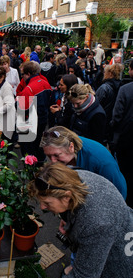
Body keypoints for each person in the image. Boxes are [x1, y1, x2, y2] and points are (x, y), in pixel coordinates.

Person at [17, 162, 133, 278]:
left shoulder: (97, 221)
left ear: (66, 197)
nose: (43, 208)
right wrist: (68, 220)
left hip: (117, 274)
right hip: (108, 246)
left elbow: (84, 276)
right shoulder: (74, 178)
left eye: (47, 203)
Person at [40, 126, 127, 200]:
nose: (53, 161)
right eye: (48, 156)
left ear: (71, 147)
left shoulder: (100, 162)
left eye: (57, 155)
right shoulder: (67, 145)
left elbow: (119, 192)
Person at [16, 61, 52, 161]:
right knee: (38, 145)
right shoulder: (45, 83)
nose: (22, 77)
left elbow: (22, 110)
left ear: (28, 74)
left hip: (30, 123)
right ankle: (40, 164)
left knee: (28, 149)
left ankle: (30, 169)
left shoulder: (29, 89)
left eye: (23, 74)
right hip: (43, 120)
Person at [110, 59, 133, 208]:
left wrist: (112, 130)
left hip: (126, 138)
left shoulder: (126, 89)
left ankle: (125, 201)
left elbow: (117, 115)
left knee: (124, 171)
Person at [95, 63, 123, 148]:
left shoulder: (104, 88)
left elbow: (96, 103)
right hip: (115, 119)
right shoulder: (122, 86)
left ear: (109, 74)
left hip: (103, 119)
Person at [0, 66, 16, 141]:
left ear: (3, 77)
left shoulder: (6, 87)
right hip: (1, 118)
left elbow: (9, 104)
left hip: (6, 119)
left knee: (5, 142)